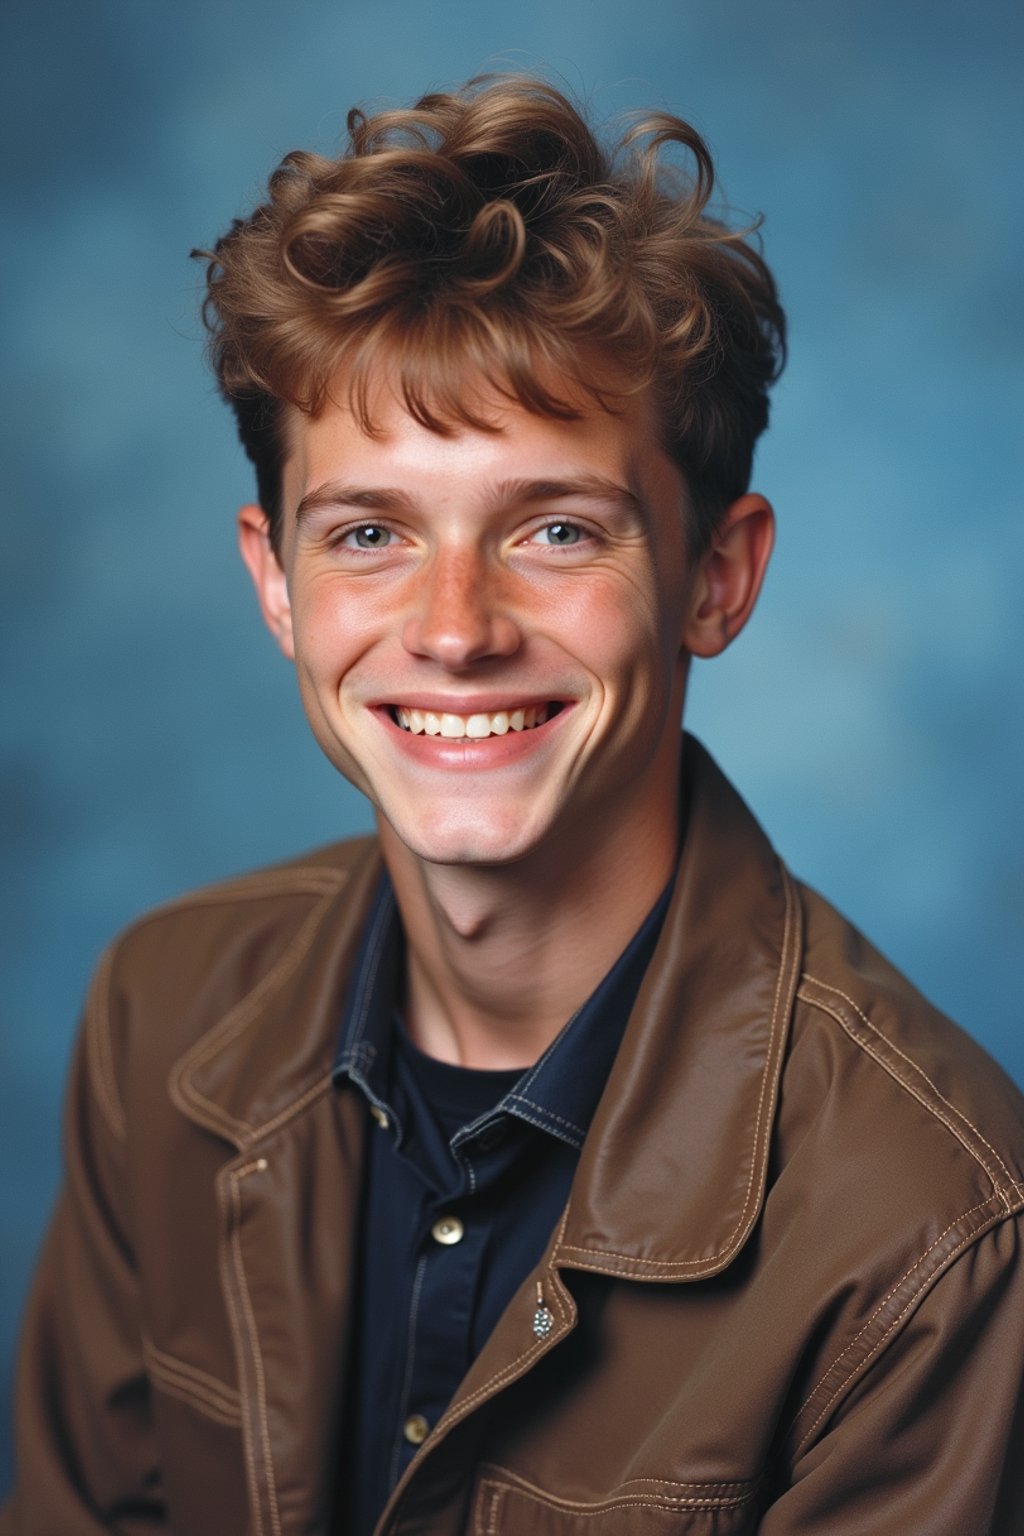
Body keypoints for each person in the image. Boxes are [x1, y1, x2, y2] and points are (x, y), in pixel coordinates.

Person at [3, 74, 1023, 1536]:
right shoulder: (158, 1017)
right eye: (369, 532)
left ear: (716, 579)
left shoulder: (934, 1228)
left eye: (554, 529)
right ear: (275, 583)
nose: (455, 626)